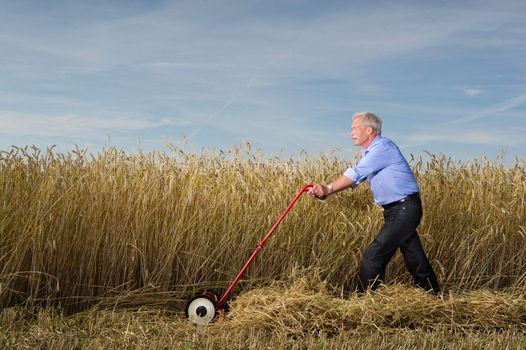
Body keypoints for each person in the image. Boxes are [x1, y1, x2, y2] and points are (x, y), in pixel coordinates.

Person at [308, 112, 440, 294]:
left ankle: (363, 301)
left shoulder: (382, 148)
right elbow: (355, 180)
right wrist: (322, 192)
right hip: (397, 211)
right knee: (413, 255)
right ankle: (432, 294)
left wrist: (328, 188)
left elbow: (356, 172)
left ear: (369, 130)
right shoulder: (371, 152)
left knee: (374, 255)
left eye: (355, 128)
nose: (351, 132)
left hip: (404, 209)